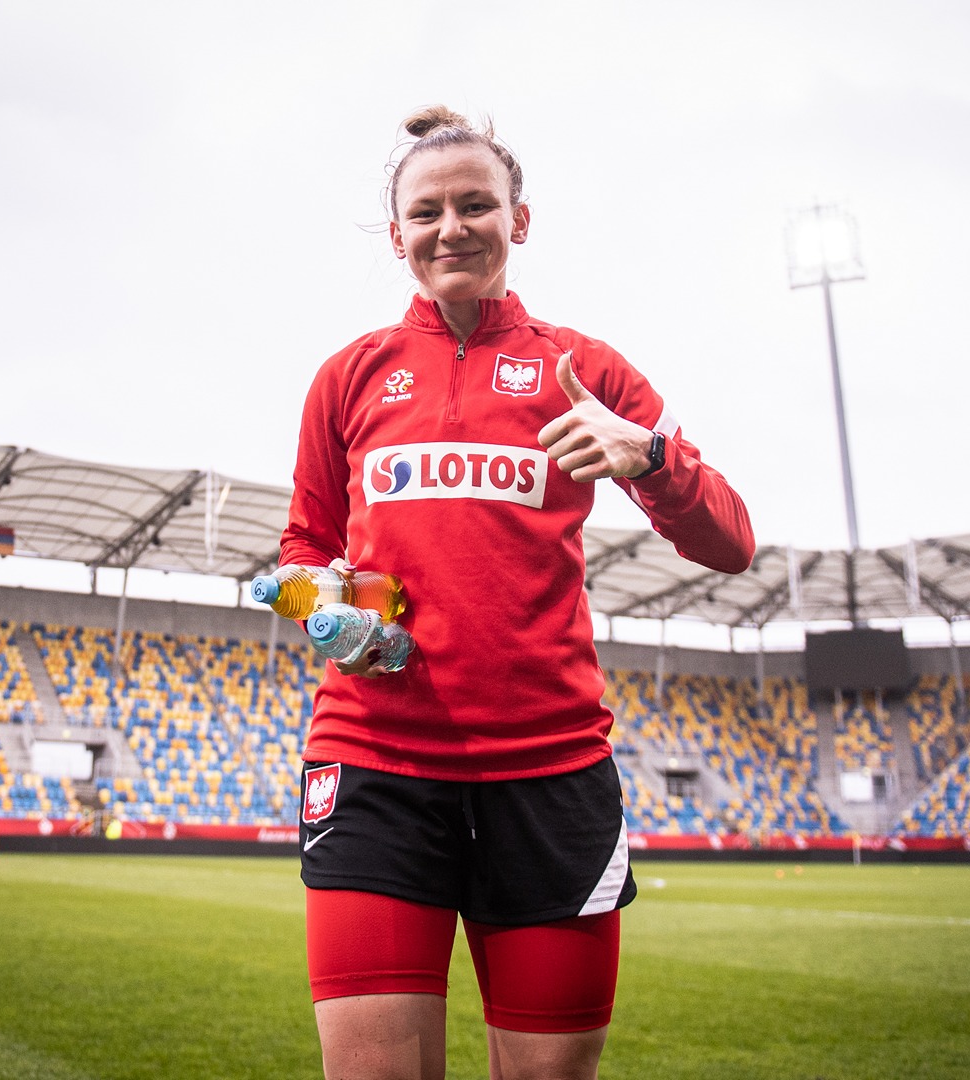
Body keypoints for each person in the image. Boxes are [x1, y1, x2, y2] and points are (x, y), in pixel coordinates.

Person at [279, 105, 755, 1080]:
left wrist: (648, 454)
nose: (450, 228)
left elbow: (731, 542)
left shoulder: (585, 371)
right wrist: (318, 604)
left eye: (475, 205)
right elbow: (304, 548)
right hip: (375, 764)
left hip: (550, 771)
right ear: (398, 235)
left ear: (519, 220)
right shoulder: (349, 377)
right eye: (426, 213)